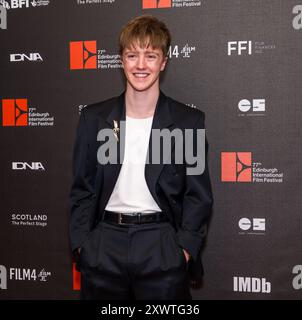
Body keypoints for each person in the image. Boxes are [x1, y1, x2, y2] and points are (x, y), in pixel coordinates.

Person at [69, 14, 213, 300]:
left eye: (151, 55)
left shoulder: (187, 121)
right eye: (132, 55)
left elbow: (198, 195)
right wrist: (83, 244)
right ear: (122, 61)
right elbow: (82, 189)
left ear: (163, 62)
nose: (141, 65)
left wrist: (182, 249)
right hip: (103, 245)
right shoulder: (94, 118)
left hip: (161, 245)